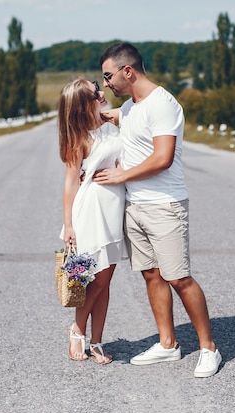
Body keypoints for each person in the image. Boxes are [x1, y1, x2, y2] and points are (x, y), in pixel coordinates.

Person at [94, 42, 222, 378]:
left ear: (128, 71)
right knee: (151, 275)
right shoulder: (131, 108)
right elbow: (110, 115)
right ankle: (168, 344)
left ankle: (209, 348)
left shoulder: (163, 105)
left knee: (178, 278)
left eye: (108, 76)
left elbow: (163, 158)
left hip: (165, 207)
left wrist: (121, 174)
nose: (106, 83)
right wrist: (85, 108)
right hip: (135, 206)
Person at [58, 77, 126, 365]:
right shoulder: (80, 139)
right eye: (94, 93)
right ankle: (77, 331)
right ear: (82, 106)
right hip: (89, 214)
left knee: (106, 281)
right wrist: (69, 225)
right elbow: (71, 184)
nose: (101, 93)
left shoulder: (115, 123)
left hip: (113, 211)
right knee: (92, 282)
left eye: (98, 88)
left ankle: (97, 341)